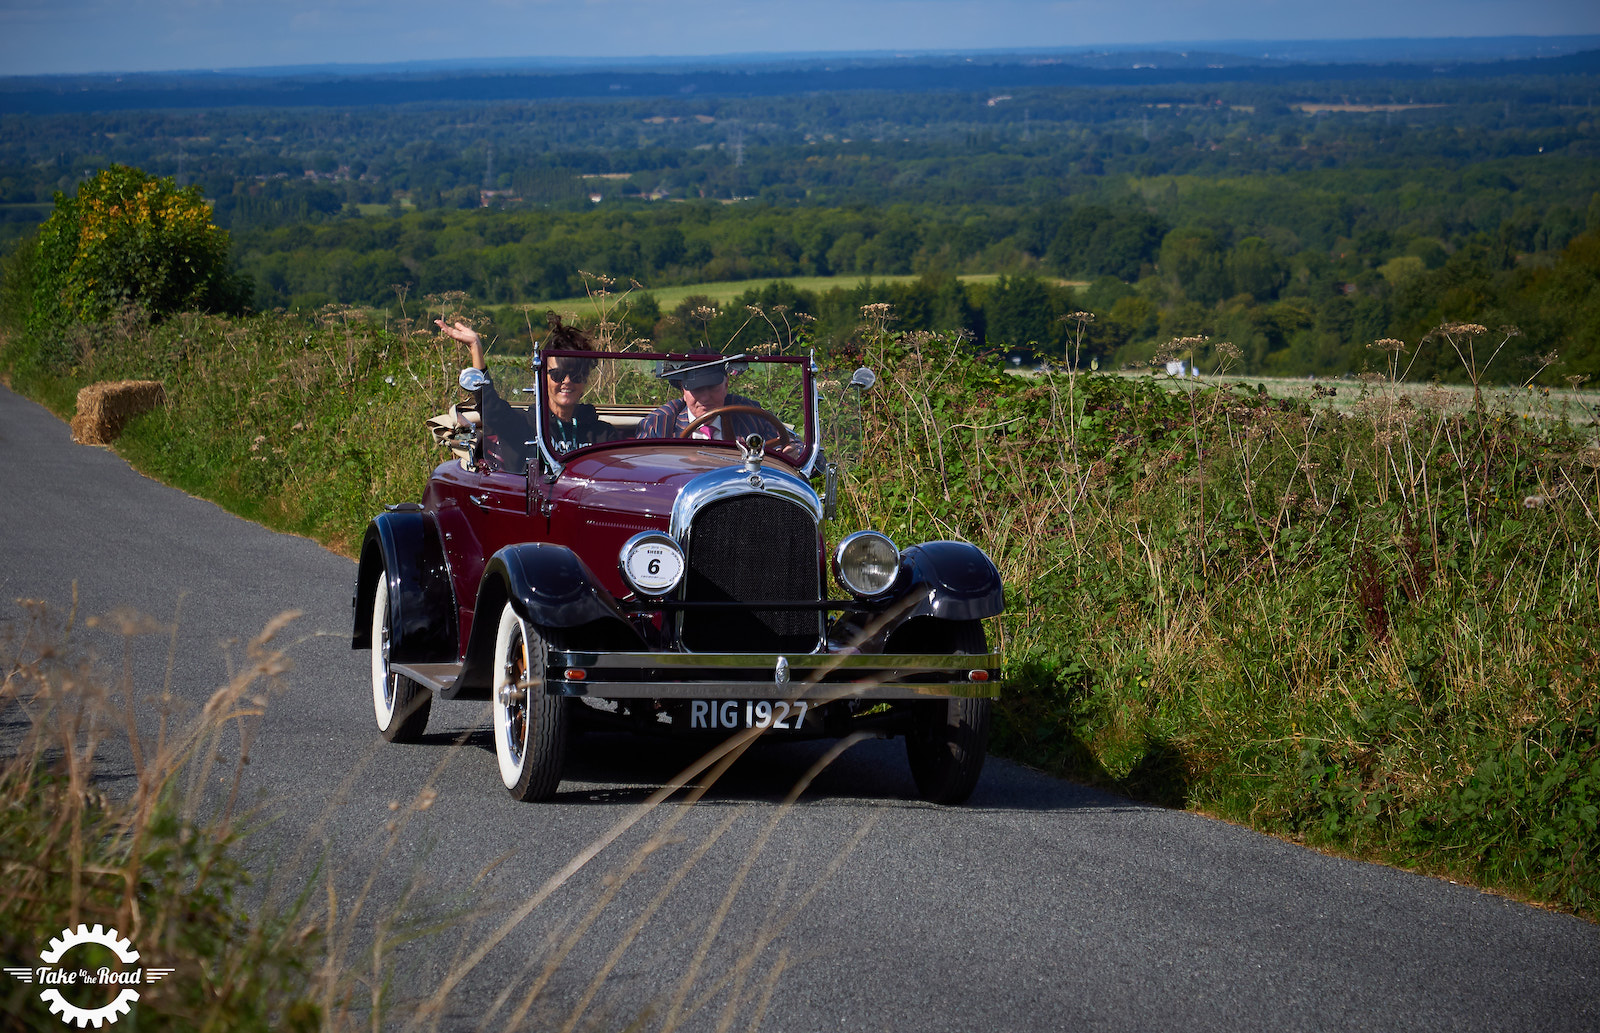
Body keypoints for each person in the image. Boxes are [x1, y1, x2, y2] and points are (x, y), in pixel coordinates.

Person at [436, 313, 617, 464]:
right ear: (543, 378)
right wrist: (475, 347)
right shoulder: (526, 425)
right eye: (558, 375)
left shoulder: (603, 434)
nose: (567, 381)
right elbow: (491, 410)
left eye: (576, 374)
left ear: (585, 380)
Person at [635, 358, 778, 441]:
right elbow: (645, 471)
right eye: (696, 389)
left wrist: (790, 450)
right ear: (683, 390)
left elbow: (788, 446)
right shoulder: (660, 424)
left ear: (726, 385)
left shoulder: (751, 415)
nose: (705, 397)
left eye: (712, 387)